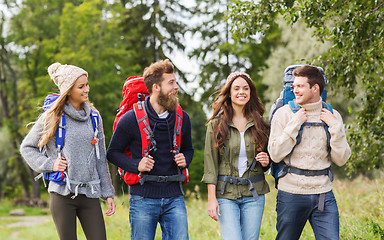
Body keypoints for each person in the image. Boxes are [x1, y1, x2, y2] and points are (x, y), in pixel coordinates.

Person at [20, 62, 115, 240]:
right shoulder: (52, 116)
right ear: (68, 90)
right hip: (62, 195)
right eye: (81, 86)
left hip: (89, 193)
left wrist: (108, 192)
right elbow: (27, 148)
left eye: (87, 84)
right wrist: (50, 164)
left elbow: (100, 158)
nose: (87, 89)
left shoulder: (94, 117)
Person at [107, 59, 194, 240]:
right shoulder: (130, 119)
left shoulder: (182, 118)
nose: (176, 87)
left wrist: (186, 158)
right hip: (142, 198)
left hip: (174, 197)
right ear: (155, 87)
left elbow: (189, 149)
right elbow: (112, 153)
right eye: (171, 82)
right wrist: (136, 165)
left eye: (175, 81)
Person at [268, 65, 351, 240]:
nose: (295, 90)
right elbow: (275, 154)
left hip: (323, 194)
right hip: (291, 193)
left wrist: (335, 127)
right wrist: (294, 124)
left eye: (300, 86)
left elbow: (341, 159)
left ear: (315, 88)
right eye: (293, 86)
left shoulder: (332, 115)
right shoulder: (283, 114)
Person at [202, 72, 270, 240]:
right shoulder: (215, 125)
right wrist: (212, 200)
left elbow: (269, 158)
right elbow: (210, 165)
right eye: (237, 88)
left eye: (246, 88)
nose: (241, 92)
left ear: (251, 92)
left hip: (254, 194)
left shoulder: (261, 123)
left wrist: (267, 161)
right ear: (229, 93)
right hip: (226, 195)